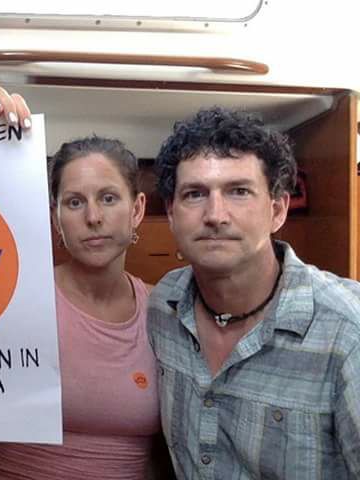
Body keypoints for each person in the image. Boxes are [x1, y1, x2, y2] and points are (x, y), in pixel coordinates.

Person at [148, 107, 360, 478]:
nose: (215, 215)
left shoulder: (347, 331)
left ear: (277, 210)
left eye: (239, 191)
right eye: (195, 194)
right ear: (171, 213)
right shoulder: (165, 305)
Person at [0, 132, 162, 479]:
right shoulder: (16, 299)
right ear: (55, 217)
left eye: (108, 198)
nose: (93, 217)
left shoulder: (164, 311)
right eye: (74, 202)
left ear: (136, 209)